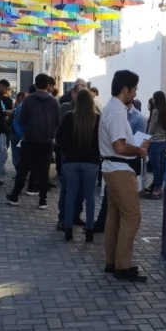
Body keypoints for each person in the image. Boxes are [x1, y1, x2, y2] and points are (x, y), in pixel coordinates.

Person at [99, 70, 149, 282]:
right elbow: (119, 146)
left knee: (115, 216)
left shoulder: (110, 107)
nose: (136, 94)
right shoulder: (118, 111)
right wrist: (138, 150)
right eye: (134, 89)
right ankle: (123, 265)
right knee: (132, 216)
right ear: (125, 89)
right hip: (120, 169)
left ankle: (113, 261)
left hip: (111, 168)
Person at [6, 74, 60, 209]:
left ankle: (15, 195)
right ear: (48, 85)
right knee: (44, 170)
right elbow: (58, 121)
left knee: (23, 168)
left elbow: (21, 119)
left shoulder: (28, 100)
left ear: (35, 84)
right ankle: (43, 199)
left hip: (29, 139)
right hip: (47, 140)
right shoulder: (54, 101)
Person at [56, 89, 101, 243]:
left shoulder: (69, 116)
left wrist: (67, 152)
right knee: (90, 197)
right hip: (91, 163)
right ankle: (89, 230)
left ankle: (68, 228)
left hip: (71, 161)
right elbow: (102, 141)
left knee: (70, 194)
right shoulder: (96, 118)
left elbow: (59, 138)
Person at [57, 83, 88, 230]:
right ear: (73, 94)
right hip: (69, 157)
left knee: (81, 189)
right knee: (67, 188)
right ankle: (63, 217)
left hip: (85, 158)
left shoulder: (90, 111)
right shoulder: (66, 108)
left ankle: (76, 215)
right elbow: (60, 133)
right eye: (80, 93)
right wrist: (65, 151)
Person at [146, 91, 166, 199]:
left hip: (155, 142)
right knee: (161, 168)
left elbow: (151, 128)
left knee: (156, 168)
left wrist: (146, 136)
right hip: (164, 142)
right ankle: (158, 188)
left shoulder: (156, 111)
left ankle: (156, 190)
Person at [11, 91, 27, 173]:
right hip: (19, 134)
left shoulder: (18, 106)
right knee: (19, 153)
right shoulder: (21, 106)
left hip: (17, 133)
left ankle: (19, 171)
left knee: (16, 153)